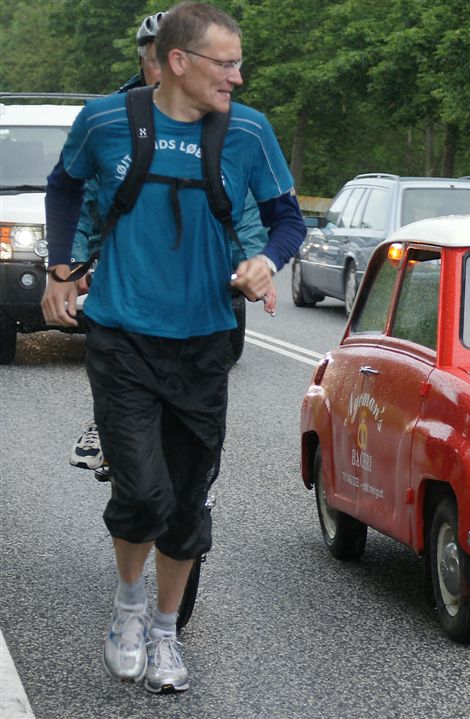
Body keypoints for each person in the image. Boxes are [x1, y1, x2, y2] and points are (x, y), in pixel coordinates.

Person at [41, 1, 305, 694]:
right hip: (123, 335)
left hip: (205, 343)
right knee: (145, 491)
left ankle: (165, 631)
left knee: (188, 504)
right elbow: (64, 186)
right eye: (227, 63)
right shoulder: (104, 121)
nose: (239, 78)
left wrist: (266, 263)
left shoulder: (248, 133)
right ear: (178, 62)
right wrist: (61, 269)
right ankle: (128, 609)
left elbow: (286, 218)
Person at [67, 9, 276, 473]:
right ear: (147, 63)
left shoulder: (222, 120)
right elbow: (85, 197)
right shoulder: (113, 116)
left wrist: (258, 259)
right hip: (125, 262)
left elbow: (232, 200)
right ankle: (108, 426)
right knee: (118, 355)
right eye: (150, 62)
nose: (159, 71)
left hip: (198, 288)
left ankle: (192, 481)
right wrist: (73, 262)